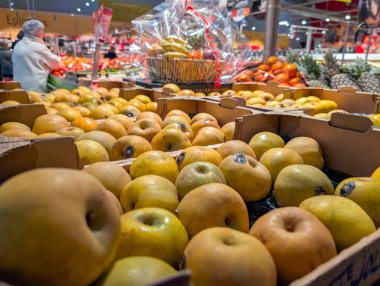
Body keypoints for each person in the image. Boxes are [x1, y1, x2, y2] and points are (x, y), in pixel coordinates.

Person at [12, 20, 63, 93]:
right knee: (35, 103)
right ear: (37, 33)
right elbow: (56, 64)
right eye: (42, 30)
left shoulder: (18, 45)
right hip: (35, 88)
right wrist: (59, 59)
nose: (43, 33)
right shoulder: (38, 47)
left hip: (19, 87)